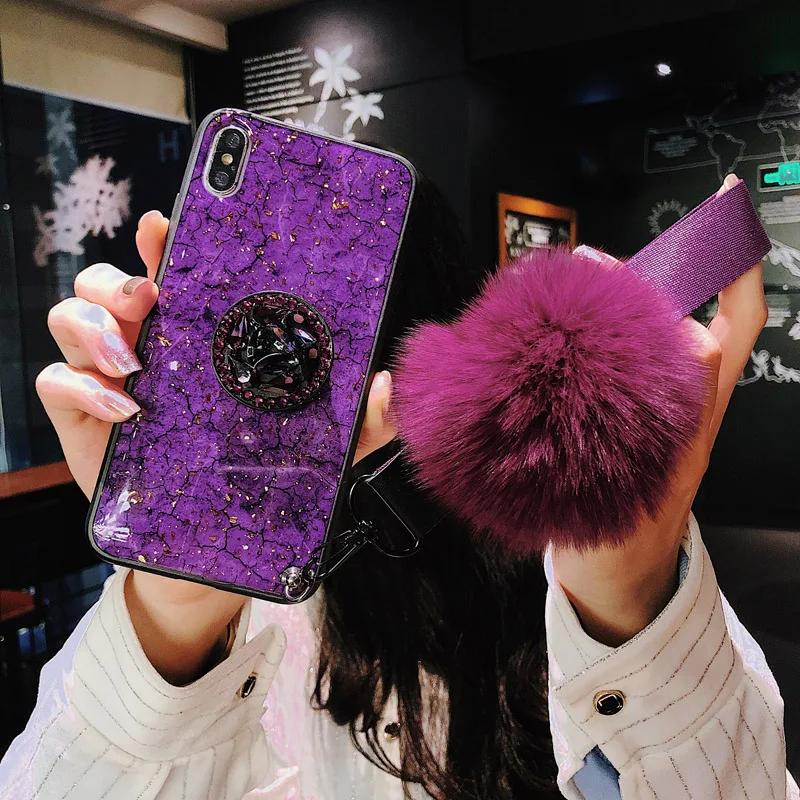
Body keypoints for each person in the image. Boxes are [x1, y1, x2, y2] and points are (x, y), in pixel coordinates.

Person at [0, 175, 796, 800]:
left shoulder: (549, 559)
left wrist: (631, 595)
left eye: (304, 340)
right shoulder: (254, 610)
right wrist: (174, 607)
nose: (281, 370)